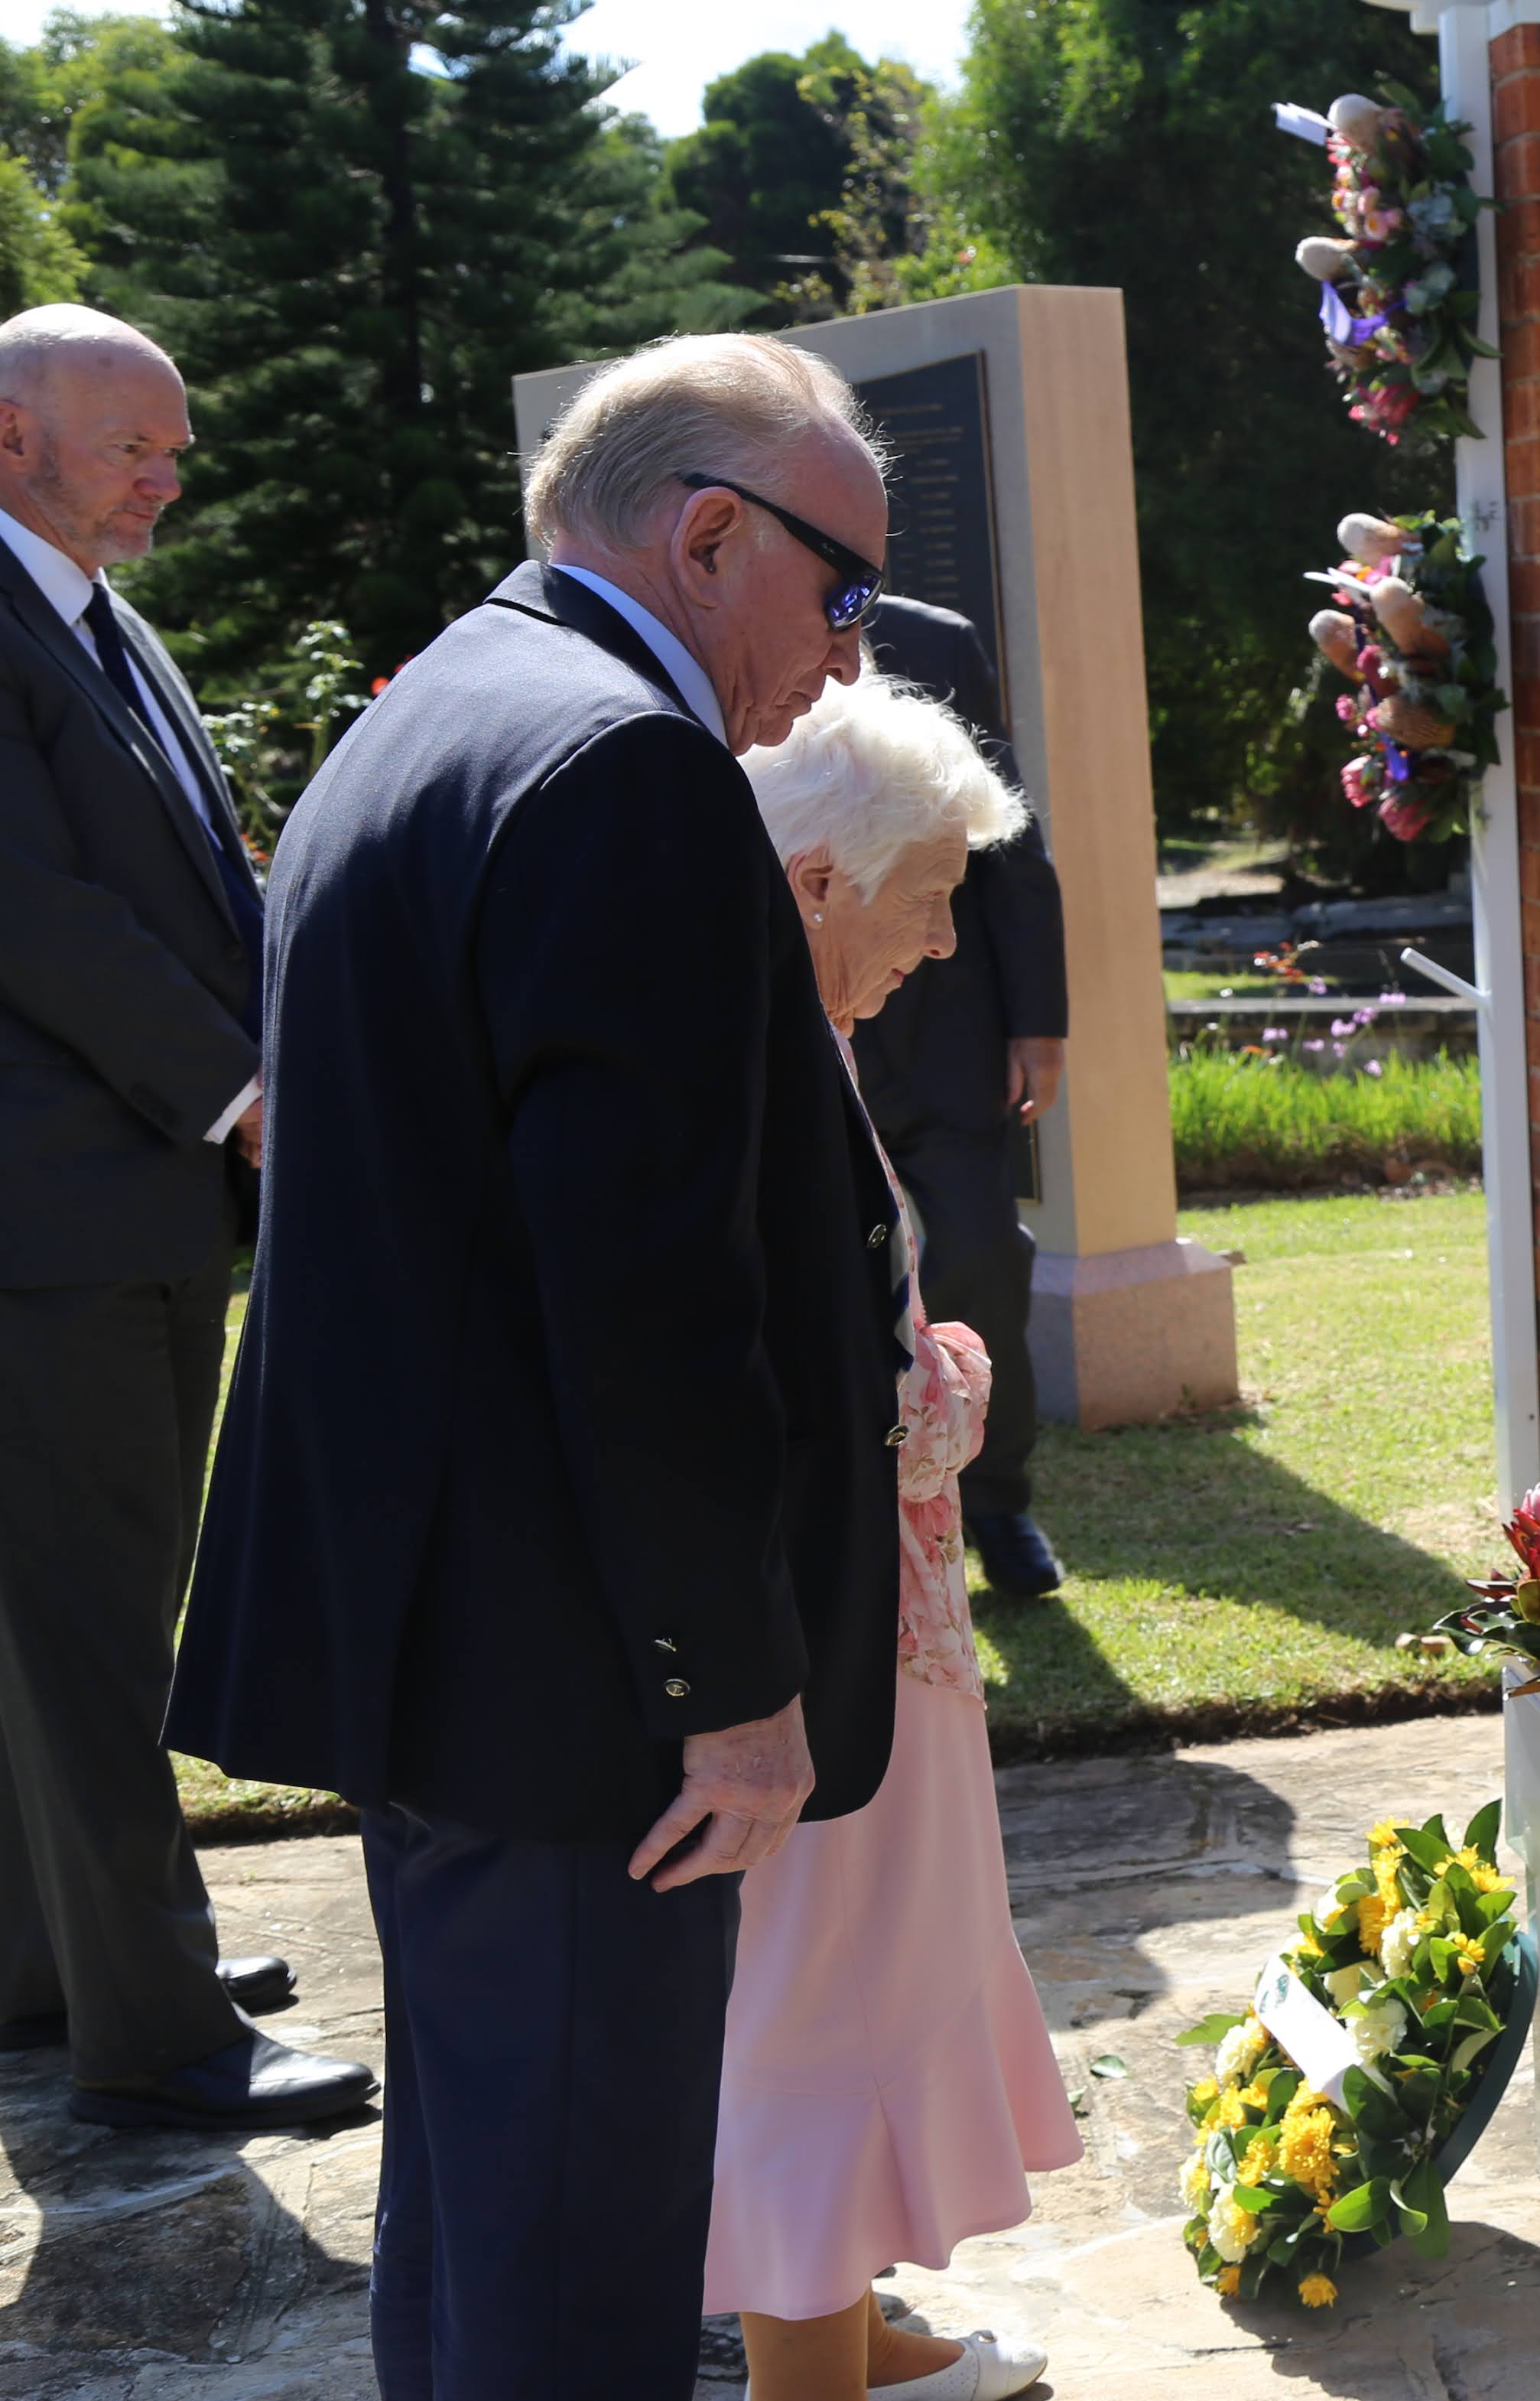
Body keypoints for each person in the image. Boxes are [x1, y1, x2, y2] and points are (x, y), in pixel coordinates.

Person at [172, 334, 905, 2399]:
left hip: (458, 1641)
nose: (844, 663)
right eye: (842, 592)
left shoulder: (430, 717)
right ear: (706, 535)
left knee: (493, 2206)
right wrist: (734, 1693)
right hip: (588, 1679)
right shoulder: (620, 768)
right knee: (575, 2248)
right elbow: (645, 1290)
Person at [0, 304, 372, 2132]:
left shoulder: (99, 614)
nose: (174, 471)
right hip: (44, 1226)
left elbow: (195, 881)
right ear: (12, 437)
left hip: (122, 1209)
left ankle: (61, 1963)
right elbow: (38, 915)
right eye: (139, 443)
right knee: (83, 1625)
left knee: (92, 1607)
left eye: (178, 443)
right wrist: (245, 1093)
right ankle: (156, 2041)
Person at [710, 674, 1080, 2401]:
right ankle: (811, 2372)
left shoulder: (809, 1031)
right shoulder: (750, 1059)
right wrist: (954, 1379)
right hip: (826, 1639)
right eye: (928, 892)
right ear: (814, 878)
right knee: (817, 2012)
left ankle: (854, 2331)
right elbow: (803, 1386)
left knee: (871, 1984)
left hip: (896, 1626)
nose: (947, 936)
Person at [850, 595, 1071, 1599]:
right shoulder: (721, 643)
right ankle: (863, 1522)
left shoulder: (938, 644)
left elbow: (1009, 843)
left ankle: (999, 1501)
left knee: (982, 1247)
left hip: (950, 1023)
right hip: (816, 1020)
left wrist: (1038, 1022)